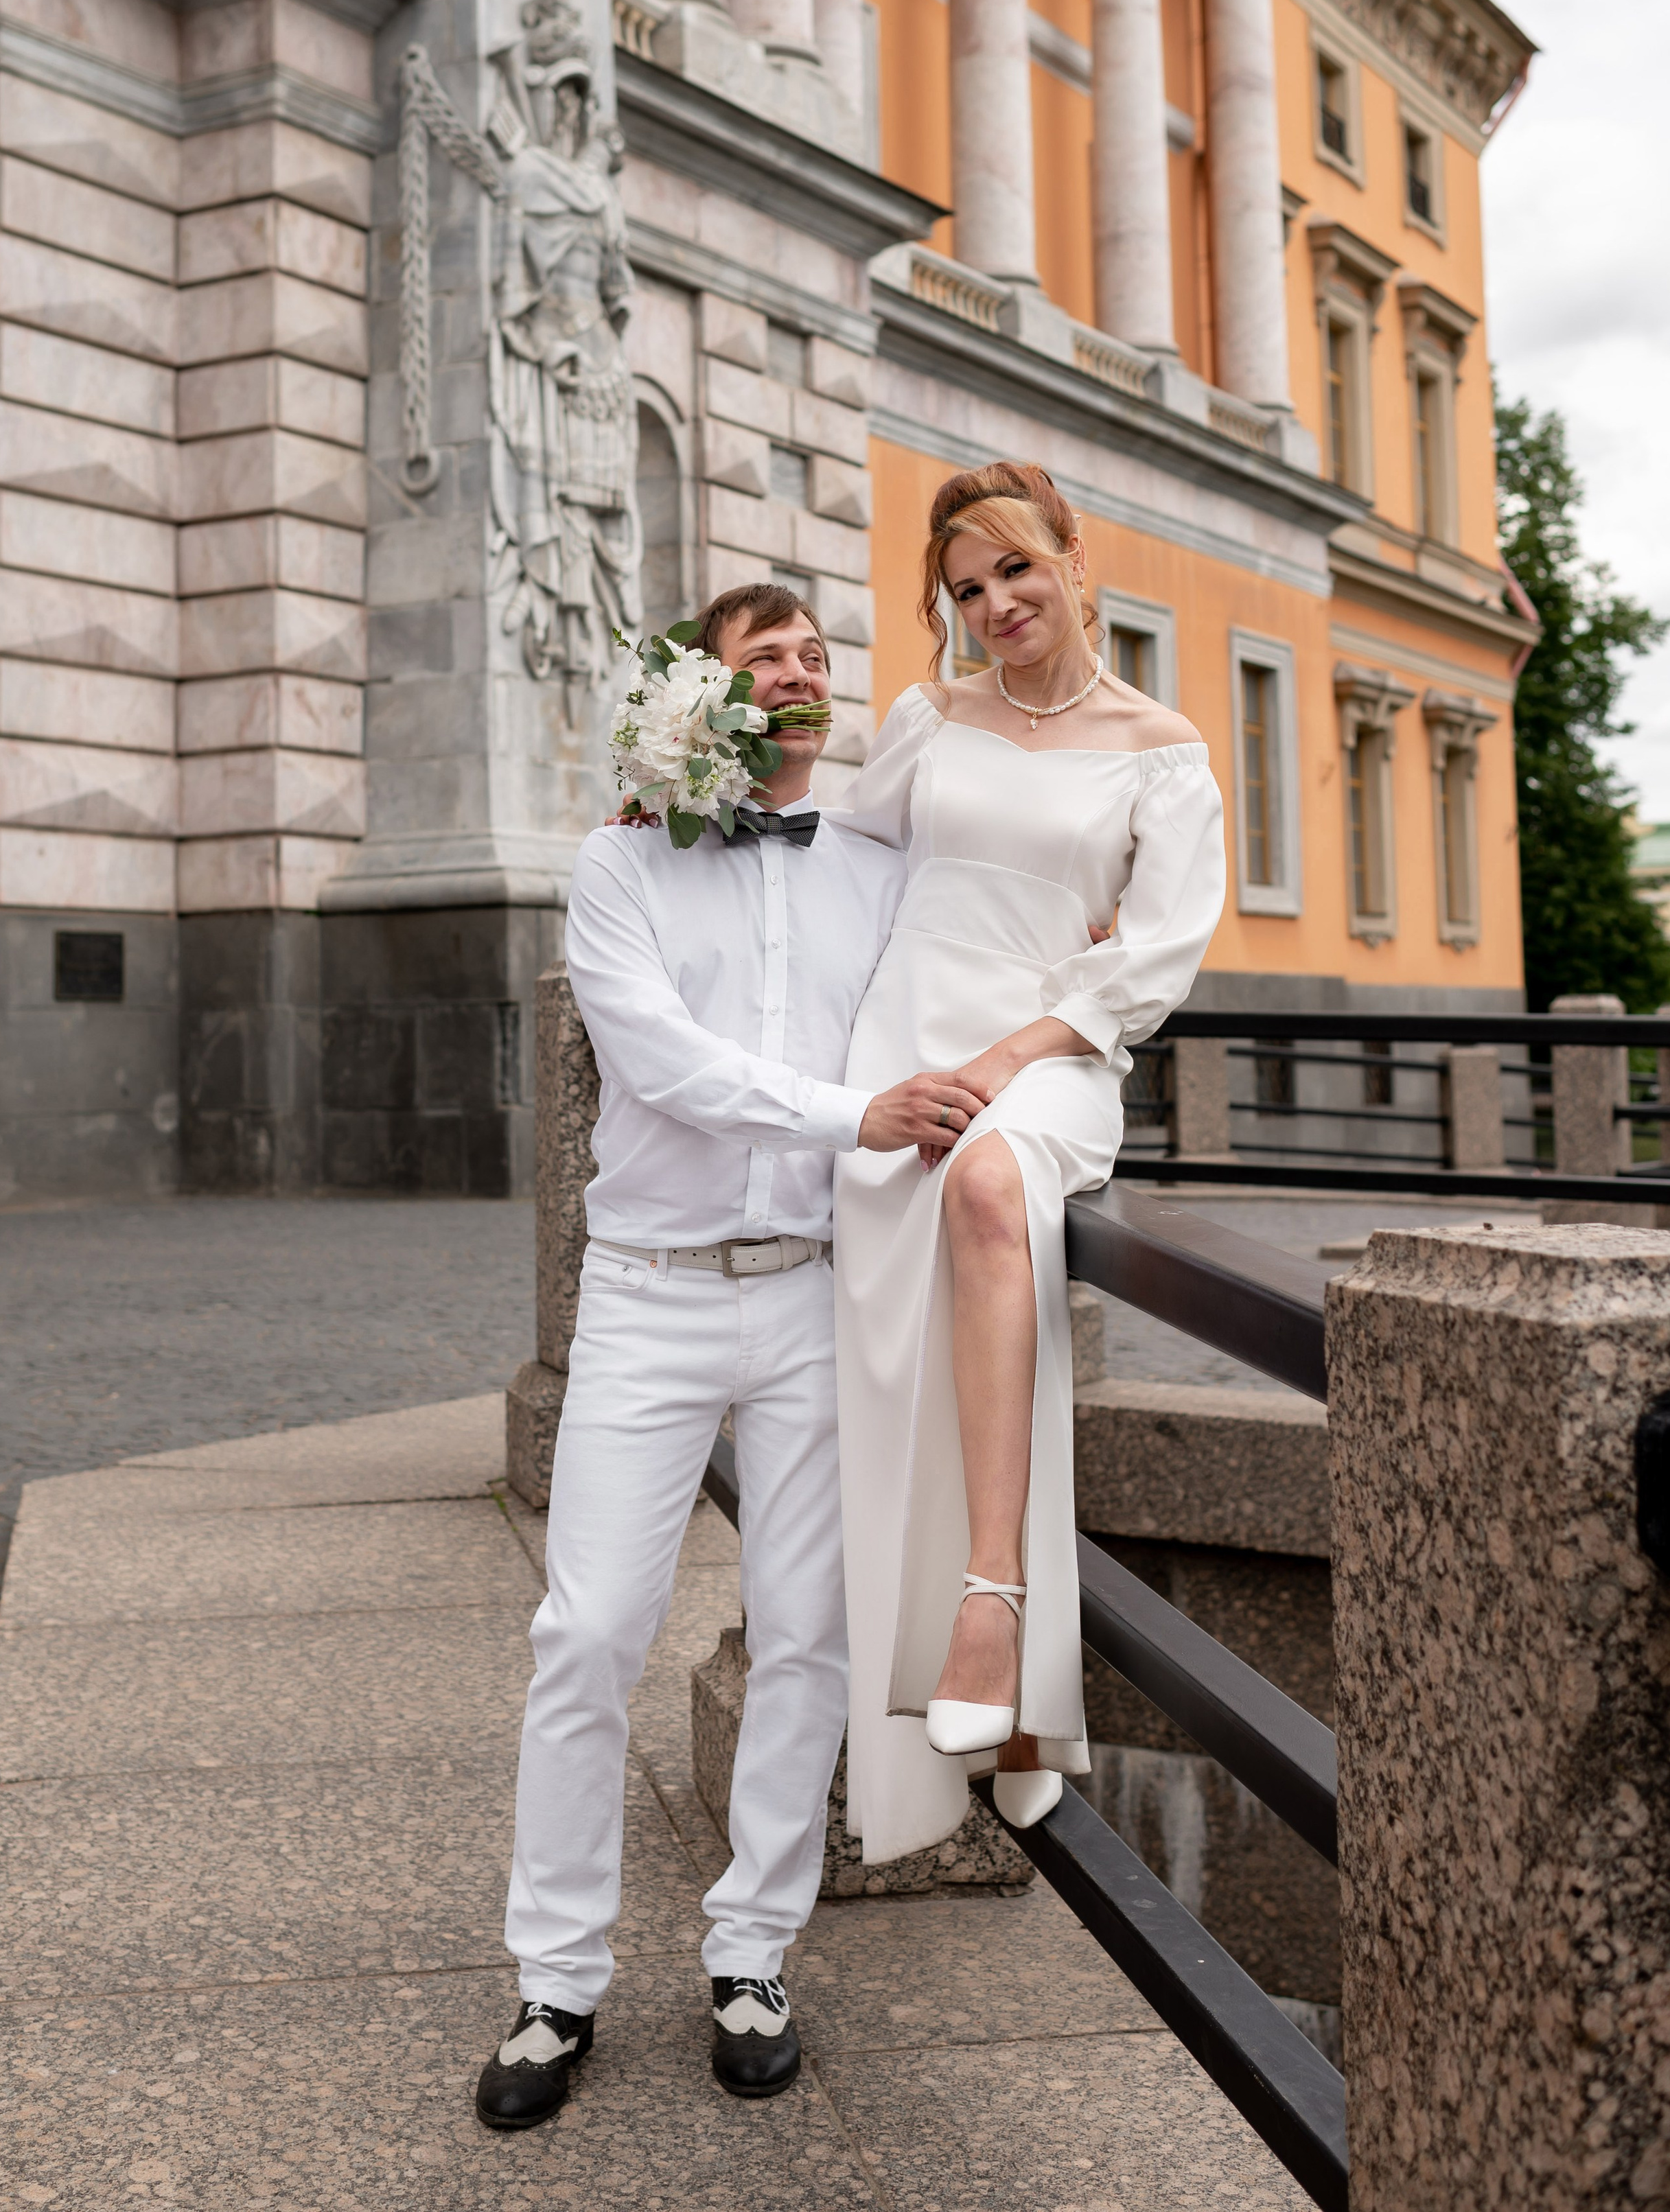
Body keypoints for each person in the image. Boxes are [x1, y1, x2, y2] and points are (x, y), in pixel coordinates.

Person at [476, 583, 988, 2131]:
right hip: (646, 1294)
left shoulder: (879, 863)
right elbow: (656, 1061)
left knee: (806, 1635)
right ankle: (555, 1977)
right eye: (765, 656)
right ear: (701, 695)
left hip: (818, 1294)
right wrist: (857, 1116)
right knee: (587, 1632)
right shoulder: (620, 858)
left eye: (816, 656)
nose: (802, 673)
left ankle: (752, 1950)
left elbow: (983, 944)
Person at [831, 463, 1227, 1866]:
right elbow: (834, 876)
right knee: (903, 1357)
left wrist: (1013, 1055)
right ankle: (995, 1723)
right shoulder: (923, 719)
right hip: (901, 1047)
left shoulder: (1160, 746)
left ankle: (991, 1606)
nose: (992, 605)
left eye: (1012, 570)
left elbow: (1162, 949)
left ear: (1072, 559)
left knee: (992, 1184)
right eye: (963, 588)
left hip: (1050, 1047)